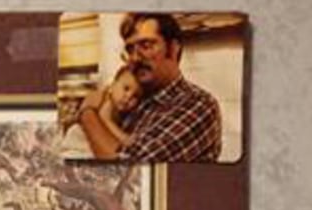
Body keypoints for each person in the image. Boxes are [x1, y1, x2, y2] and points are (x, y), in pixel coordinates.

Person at [78, 12, 222, 161]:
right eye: (130, 49)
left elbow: (128, 169)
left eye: (146, 46)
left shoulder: (198, 104)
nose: (134, 57)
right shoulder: (138, 97)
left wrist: (87, 113)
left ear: (173, 49)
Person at [61, 66, 143, 158]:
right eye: (126, 88)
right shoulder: (106, 101)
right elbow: (106, 121)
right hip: (79, 143)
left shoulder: (126, 115)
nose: (128, 97)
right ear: (113, 85)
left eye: (135, 96)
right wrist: (125, 138)